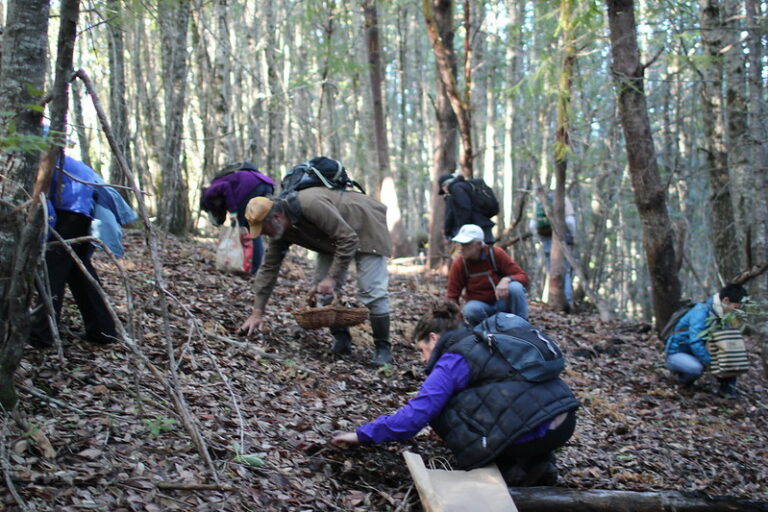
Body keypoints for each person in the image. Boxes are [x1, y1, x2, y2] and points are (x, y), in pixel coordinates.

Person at [331, 302, 579, 486]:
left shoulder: (453, 359)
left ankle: (508, 467)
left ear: (433, 338)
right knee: (499, 396)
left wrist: (362, 435)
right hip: (565, 420)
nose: (423, 359)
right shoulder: (487, 341)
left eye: (421, 350)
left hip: (532, 432)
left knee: (443, 408)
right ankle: (539, 462)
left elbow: (415, 417)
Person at [238, 157, 393, 365]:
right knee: (322, 290)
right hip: (333, 237)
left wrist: (332, 277)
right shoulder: (279, 231)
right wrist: (257, 312)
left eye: (263, 230)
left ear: (275, 218)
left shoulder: (309, 204)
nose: (265, 235)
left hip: (366, 226)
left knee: (371, 291)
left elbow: (348, 238)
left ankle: (383, 349)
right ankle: (342, 340)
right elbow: (268, 268)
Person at [29, 153, 137, 348]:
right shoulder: (35, 136)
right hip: (81, 198)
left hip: (71, 203)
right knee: (78, 269)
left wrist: (45, 239)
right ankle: (103, 330)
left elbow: (44, 202)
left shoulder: (31, 141)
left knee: (51, 267)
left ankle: (40, 334)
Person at [664, 283, 748, 398]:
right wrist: (713, 364)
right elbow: (695, 342)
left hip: (696, 354)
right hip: (678, 353)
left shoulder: (722, 313)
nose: (737, 311)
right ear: (726, 300)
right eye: (737, 307)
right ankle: (681, 380)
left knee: (730, 358)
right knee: (695, 369)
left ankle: (727, 392)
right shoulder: (701, 311)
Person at [200, 162, 276, 274]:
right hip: (266, 185)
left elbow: (225, 187)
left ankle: (250, 268)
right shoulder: (220, 181)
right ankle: (251, 265)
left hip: (251, 188)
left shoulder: (209, 192)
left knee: (248, 228)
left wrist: (233, 210)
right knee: (253, 228)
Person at [446, 224, 530, 326]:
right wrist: (456, 320)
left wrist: (507, 279)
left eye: (467, 244)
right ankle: (486, 332)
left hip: (503, 304)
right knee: (470, 309)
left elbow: (523, 277)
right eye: (461, 244)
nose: (462, 248)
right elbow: (452, 296)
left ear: (479, 244)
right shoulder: (459, 263)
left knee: (515, 287)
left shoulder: (495, 254)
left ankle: (522, 327)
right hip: (481, 308)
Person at [529, 192, 577, 308]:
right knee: (565, 270)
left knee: (552, 269)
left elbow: (532, 225)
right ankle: (566, 300)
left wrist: (539, 238)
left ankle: (554, 300)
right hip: (563, 238)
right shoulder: (564, 199)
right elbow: (570, 221)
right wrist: (573, 236)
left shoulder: (543, 201)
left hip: (546, 239)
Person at [439, 172, 495, 244]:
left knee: (472, 253)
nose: (445, 192)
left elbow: (464, 207)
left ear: (445, 185)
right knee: (487, 251)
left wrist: (464, 229)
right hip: (484, 225)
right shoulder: (467, 186)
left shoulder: (456, 188)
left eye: (443, 190)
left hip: (473, 230)